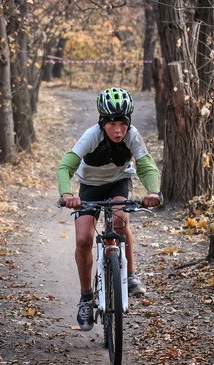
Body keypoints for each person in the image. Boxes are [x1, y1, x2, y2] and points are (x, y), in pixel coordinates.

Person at [56, 87, 162, 331]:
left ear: (128, 123)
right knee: (83, 239)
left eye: (123, 124)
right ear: (103, 122)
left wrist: (153, 191)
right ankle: (86, 298)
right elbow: (65, 166)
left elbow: (146, 166)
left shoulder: (132, 135)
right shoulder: (91, 136)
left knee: (119, 220)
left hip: (118, 182)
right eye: (112, 124)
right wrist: (68, 194)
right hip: (90, 187)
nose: (118, 130)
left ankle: (130, 275)